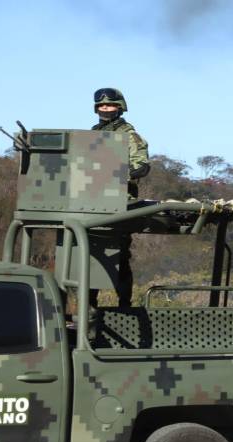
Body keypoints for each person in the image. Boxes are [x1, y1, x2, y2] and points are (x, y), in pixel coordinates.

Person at [90, 88, 150, 309]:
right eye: (102, 106)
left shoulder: (129, 134)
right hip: (91, 201)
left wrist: (115, 175)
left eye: (110, 105)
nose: (106, 109)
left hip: (119, 202)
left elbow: (141, 167)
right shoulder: (93, 133)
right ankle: (90, 308)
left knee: (120, 256)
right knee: (89, 258)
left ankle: (124, 304)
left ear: (120, 107)